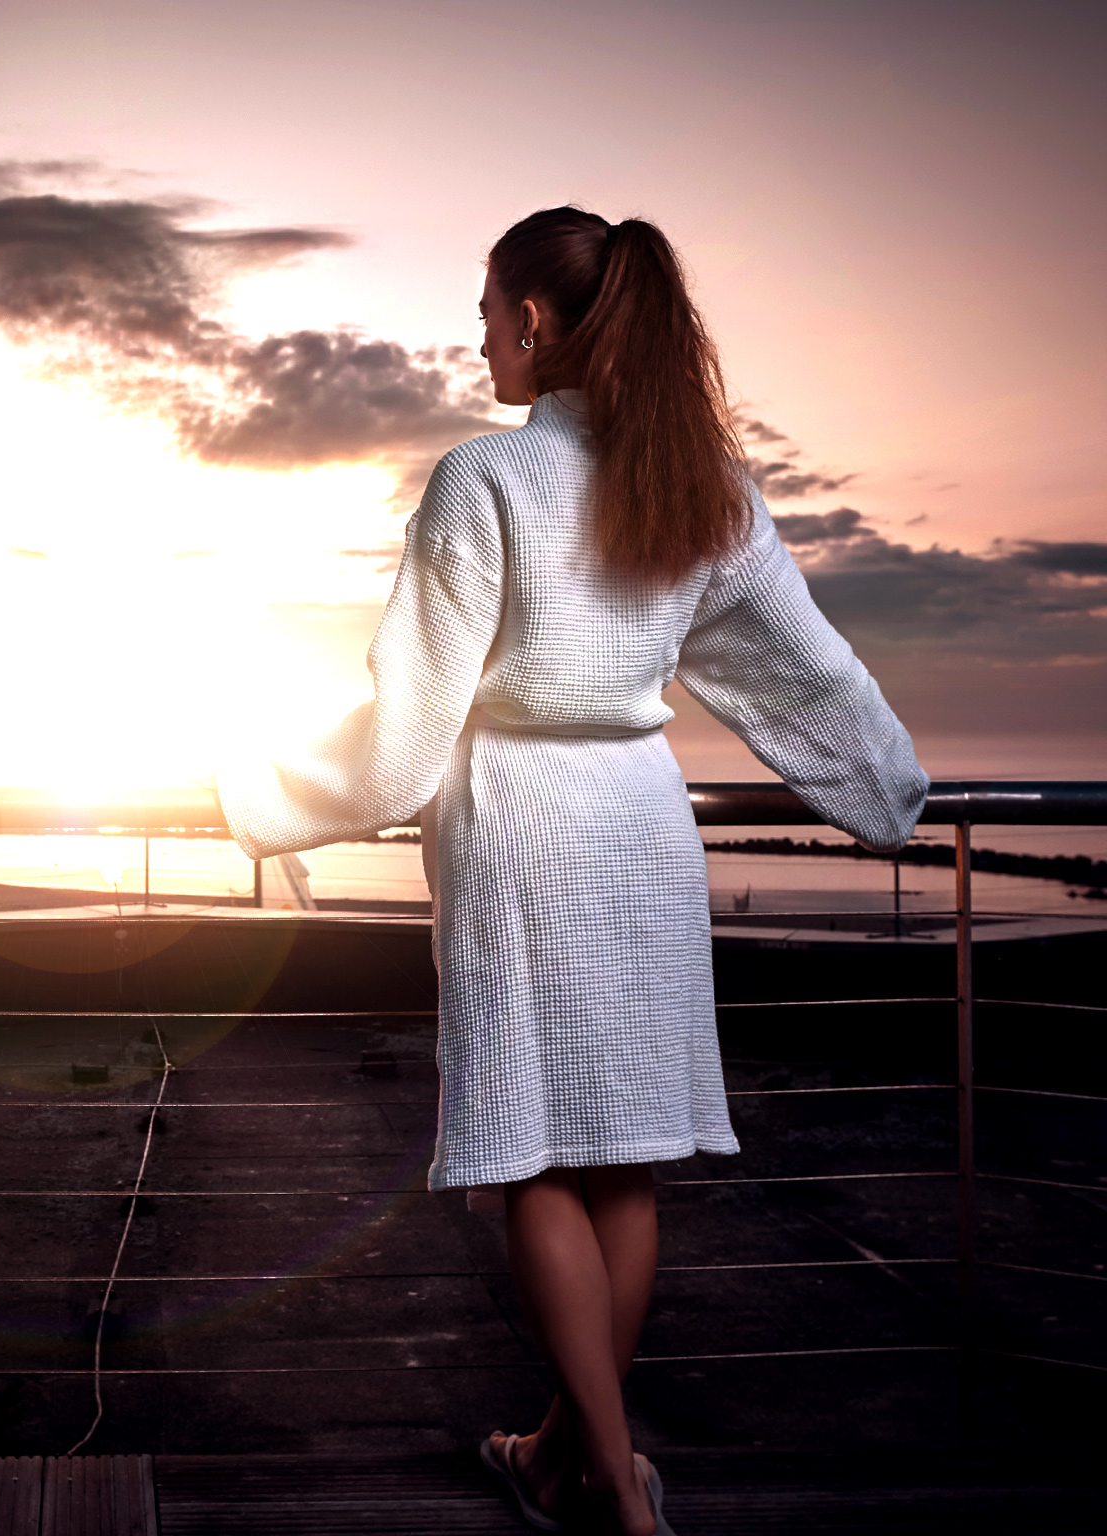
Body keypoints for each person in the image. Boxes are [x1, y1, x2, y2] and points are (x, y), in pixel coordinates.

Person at [216, 207, 927, 1535]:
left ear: (535, 323)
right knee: (626, 1166)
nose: (479, 334)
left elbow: (410, 727)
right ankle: (560, 1455)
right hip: (643, 828)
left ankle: (622, 1495)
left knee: (534, 1162)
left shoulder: (483, 480)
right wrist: (890, 797)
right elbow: (807, 670)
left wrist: (255, 790)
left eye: (487, 311)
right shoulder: (704, 486)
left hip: (523, 825)